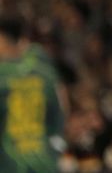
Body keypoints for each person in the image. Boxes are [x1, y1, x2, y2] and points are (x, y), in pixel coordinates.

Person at [0, 17, 66, 172]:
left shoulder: (3, 76)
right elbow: (62, 104)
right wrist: (57, 144)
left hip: (10, 163)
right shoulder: (43, 68)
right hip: (43, 160)